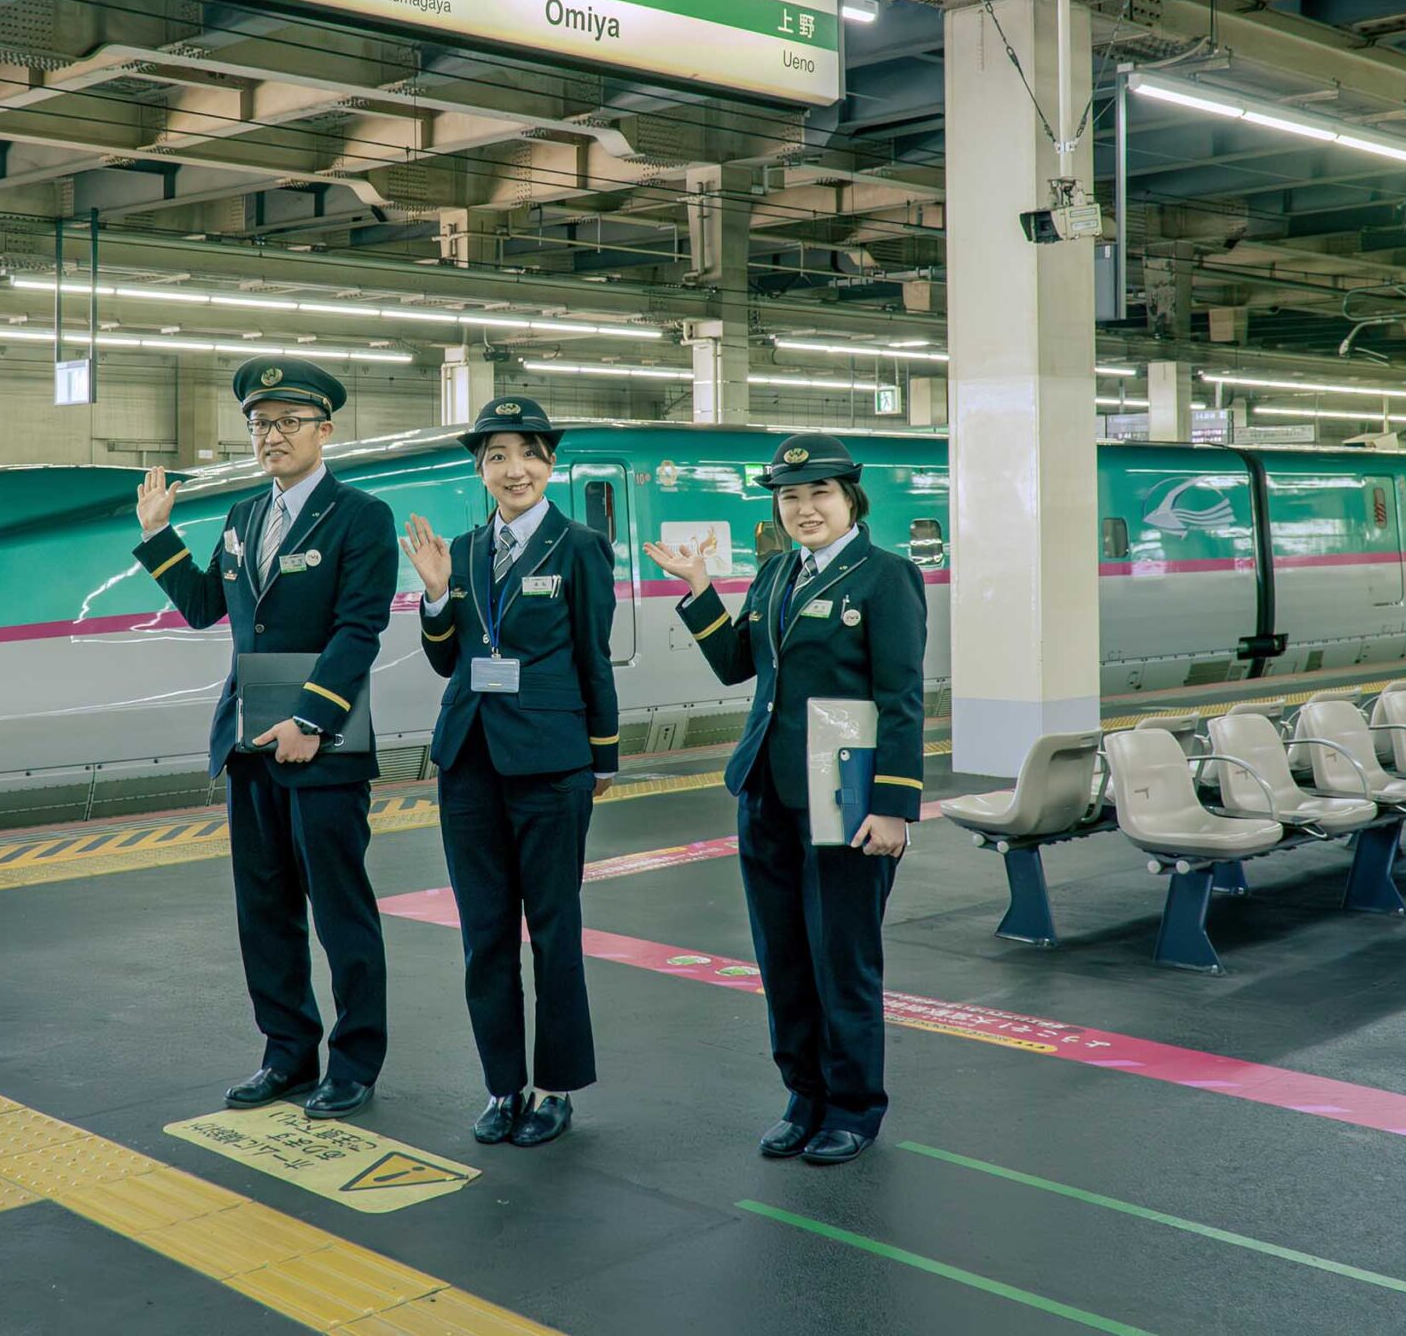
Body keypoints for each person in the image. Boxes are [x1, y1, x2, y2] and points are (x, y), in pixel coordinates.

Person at [643, 434, 923, 1167]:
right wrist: (699, 590)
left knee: (842, 956)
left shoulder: (887, 576)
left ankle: (853, 1106)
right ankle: (803, 1095)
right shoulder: (776, 573)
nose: (804, 508)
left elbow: (900, 696)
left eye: (819, 493)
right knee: (784, 955)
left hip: (845, 792)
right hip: (766, 787)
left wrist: (893, 804)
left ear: (850, 498)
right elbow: (738, 665)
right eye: (790, 496)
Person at [133, 357, 397, 1120]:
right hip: (250, 738)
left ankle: (355, 1062)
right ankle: (287, 1053)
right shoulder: (243, 516)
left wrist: (311, 718)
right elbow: (202, 605)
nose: (271, 435)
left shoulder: (360, 516)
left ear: (325, 429)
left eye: (287, 422)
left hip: (324, 743)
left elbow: (359, 629)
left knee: (340, 911)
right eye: (259, 423)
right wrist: (158, 535)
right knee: (265, 910)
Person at [400, 397, 619, 1149]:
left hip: (552, 763)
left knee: (555, 930)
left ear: (549, 465)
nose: (513, 469)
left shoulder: (580, 546)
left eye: (528, 454)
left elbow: (593, 654)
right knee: (484, 934)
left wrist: (603, 753)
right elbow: (447, 659)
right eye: (497, 456)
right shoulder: (459, 552)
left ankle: (555, 1087)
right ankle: (503, 1086)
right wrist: (435, 595)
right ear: (481, 469)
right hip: (468, 761)